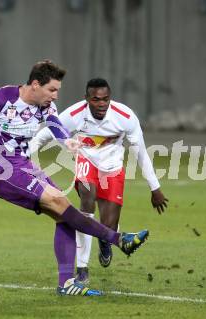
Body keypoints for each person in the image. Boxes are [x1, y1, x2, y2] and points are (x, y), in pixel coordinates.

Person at [0, 60, 150, 296]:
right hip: (3, 171)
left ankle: (66, 283)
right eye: (52, 90)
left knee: (65, 215)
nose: (56, 96)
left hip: (24, 166)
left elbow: (54, 123)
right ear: (35, 84)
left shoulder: (44, 105)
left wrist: (66, 141)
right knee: (61, 204)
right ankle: (118, 239)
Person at [30, 78, 168, 284]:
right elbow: (43, 135)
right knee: (87, 200)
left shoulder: (125, 117)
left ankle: (106, 239)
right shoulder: (75, 114)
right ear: (87, 99)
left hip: (113, 168)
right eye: (96, 99)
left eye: (105, 99)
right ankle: (83, 269)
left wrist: (155, 188)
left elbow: (140, 153)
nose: (102, 104)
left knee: (109, 226)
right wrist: (22, 158)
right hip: (87, 162)